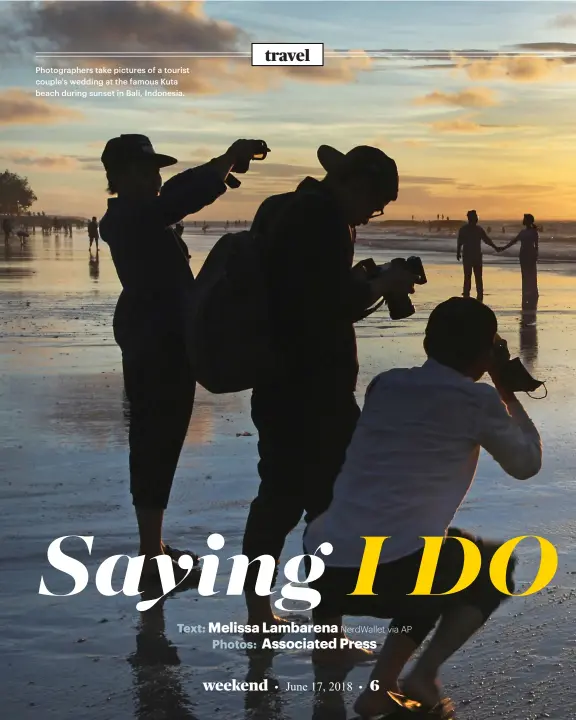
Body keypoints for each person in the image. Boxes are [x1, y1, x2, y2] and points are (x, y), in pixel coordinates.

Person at [304, 297, 542, 716]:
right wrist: (505, 390)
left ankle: (328, 647)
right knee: (488, 565)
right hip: (388, 577)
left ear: (428, 342)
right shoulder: (479, 401)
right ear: (487, 352)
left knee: (347, 521)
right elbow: (527, 464)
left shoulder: (387, 383)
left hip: (322, 568)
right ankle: (398, 680)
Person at [241, 144, 417, 630]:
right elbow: (320, 306)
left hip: (278, 381)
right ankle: (328, 627)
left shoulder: (284, 207)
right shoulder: (321, 219)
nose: (369, 216)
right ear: (356, 186)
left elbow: (300, 293)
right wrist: (381, 285)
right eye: (374, 205)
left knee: (276, 498)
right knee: (332, 508)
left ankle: (260, 614)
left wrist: (367, 281)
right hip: (314, 388)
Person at [99, 133, 266, 583]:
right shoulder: (130, 217)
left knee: (158, 440)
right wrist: (224, 162)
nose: (157, 177)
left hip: (156, 339)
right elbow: (177, 199)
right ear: (128, 175)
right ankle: (152, 559)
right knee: (157, 439)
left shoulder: (136, 217)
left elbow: (173, 201)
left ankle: (153, 550)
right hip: (158, 344)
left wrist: (221, 169)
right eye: (151, 170)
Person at [456, 210, 499, 301]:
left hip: (476, 256)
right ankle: (468, 295)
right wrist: (458, 252)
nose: (476, 218)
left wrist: (495, 247)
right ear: (471, 218)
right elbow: (460, 242)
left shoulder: (478, 229)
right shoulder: (465, 229)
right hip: (468, 255)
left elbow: (486, 240)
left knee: (477, 276)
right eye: (475, 217)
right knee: (469, 276)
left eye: (476, 216)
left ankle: (478, 294)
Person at [500, 213, 539, 306]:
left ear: (528, 221)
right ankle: (526, 292)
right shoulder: (523, 232)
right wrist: (504, 247)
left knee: (531, 274)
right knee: (525, 274)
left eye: (524, 219)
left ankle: (532, 292)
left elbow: (536, 245)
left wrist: (535, 256)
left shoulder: (533, 232)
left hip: (529, 254)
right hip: (523, 254)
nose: (523, 220)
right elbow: (514, 241)